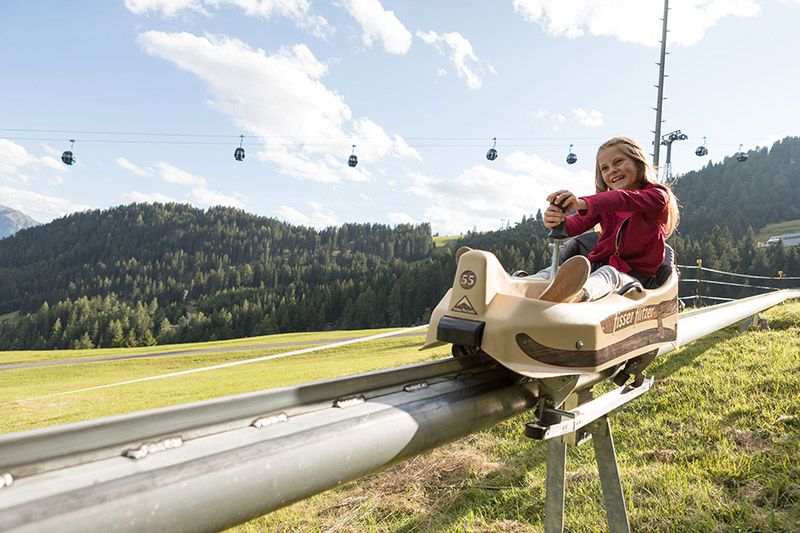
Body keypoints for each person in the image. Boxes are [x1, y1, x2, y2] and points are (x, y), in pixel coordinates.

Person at [539, 136, 679, 302]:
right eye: (604, 168)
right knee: (556, 271)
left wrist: (581, 203)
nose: (612, 170)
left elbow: (623, 199)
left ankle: (576, 295)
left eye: (618, 162)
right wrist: (558, 220)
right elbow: (576, 224)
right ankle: (522, 285)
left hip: (635, 279)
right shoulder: (604, 206)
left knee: (609, 275)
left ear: (638, 162)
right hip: (596, 268)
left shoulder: (657, 196)